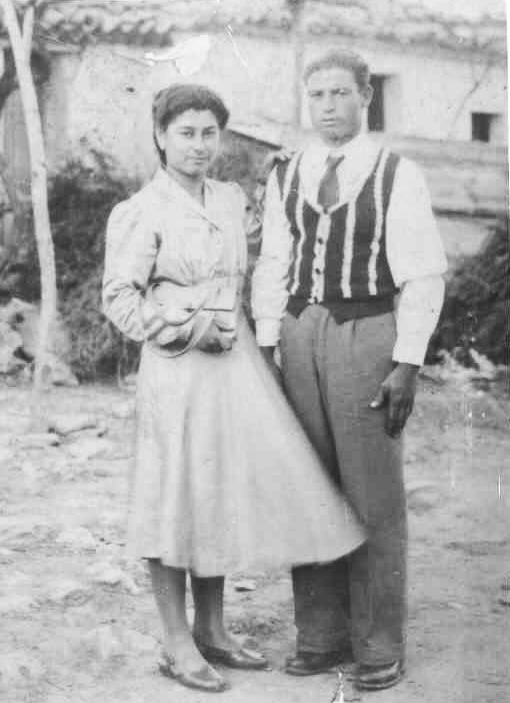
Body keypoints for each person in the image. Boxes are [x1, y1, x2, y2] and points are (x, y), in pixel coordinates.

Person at [102, 83, 365, 694]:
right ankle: (176, 642)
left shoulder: (228, 198)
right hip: (178, 367)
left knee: (215, 491)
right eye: (185, 133)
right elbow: (118, 298)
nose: (199, 145)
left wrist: (289, 177)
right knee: (174, 496)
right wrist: (179, 327)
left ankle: (213, 628)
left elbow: (271, 240)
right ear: (161, 136)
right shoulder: (140, 209)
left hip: (234, 360)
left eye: (208, 133)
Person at [252, 50, 448, 691]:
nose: (328, 106)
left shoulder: (396, 174)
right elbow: (273, 260)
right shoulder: (289, 172)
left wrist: (407, 362)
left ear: (366, 96)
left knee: (372, 494)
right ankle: (320, 634)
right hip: (299, 329)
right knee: (308, 485)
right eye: (317, 95)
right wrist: (268, 342)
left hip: (367, 332)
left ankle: (378, 644)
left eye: (340, 93)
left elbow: (423, 274)